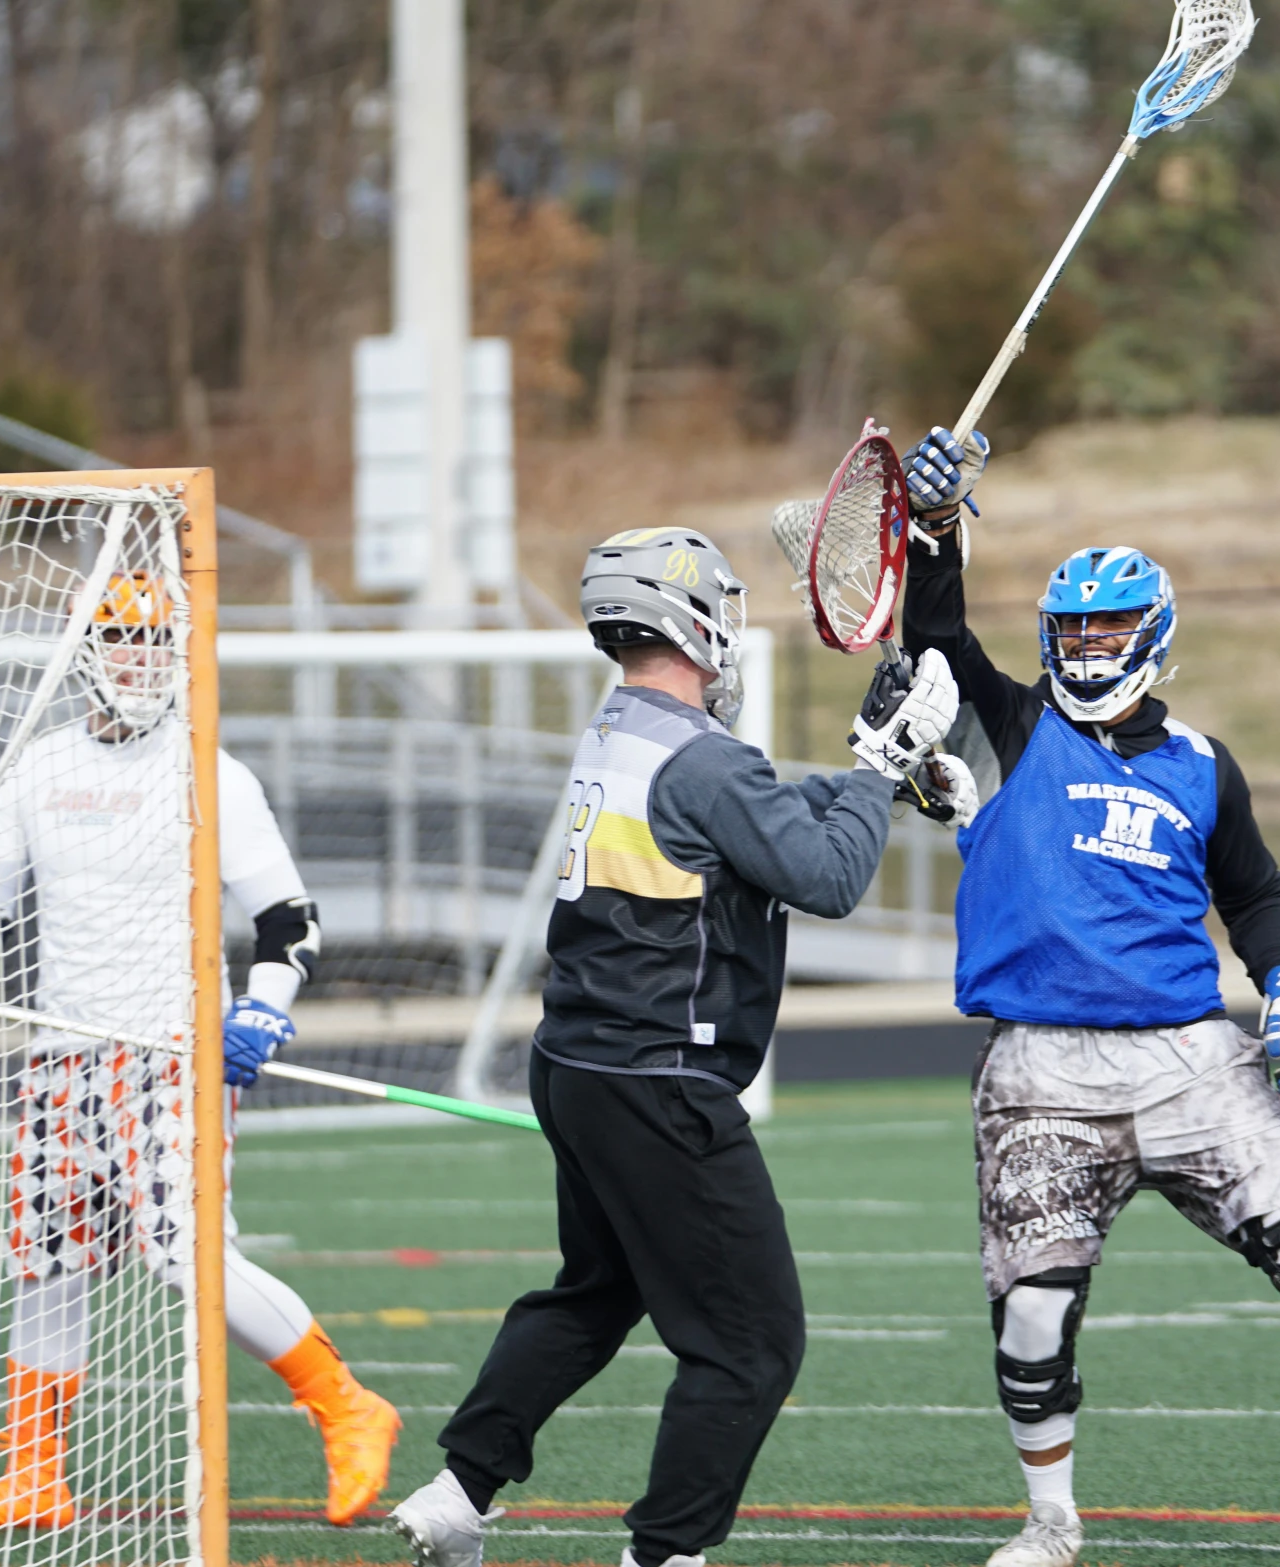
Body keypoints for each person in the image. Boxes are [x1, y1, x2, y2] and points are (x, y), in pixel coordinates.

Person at [896, 429, 1280, 1566]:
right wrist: (937, 533)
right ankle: (1051, 1524)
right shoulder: (1012, 726)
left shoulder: (1201, 762)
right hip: (1039, 1067)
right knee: (1034, 1316)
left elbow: (1256, 892)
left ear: (1152, 633)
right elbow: (935, 638)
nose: (1089, 640)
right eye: (1073, 623)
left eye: (1109, 623)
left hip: (1191, 1054)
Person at [386, 527, 961, 1567]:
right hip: (660, 1080)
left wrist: (869, 779)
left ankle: (458, 1488)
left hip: (580, 1066)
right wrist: (877, 773)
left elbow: (765, 819)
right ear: (693, 619)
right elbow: (825, 879)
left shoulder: (623, 731)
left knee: (596, 1290)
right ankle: (663, 1554)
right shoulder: (703, 759)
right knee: (751, 1343)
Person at [0, 572, 400, 1533]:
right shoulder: (37, 767)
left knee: (186, 1256)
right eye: (122, 640)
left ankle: (347, 1404)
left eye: (158, 642)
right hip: (64, 1058)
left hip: (170, 1059)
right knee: (49, 1264)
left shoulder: (211, 773)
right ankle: (36, 1473)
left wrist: (263, 1011)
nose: (141, 659)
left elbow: (290, 920)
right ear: (89, 653)